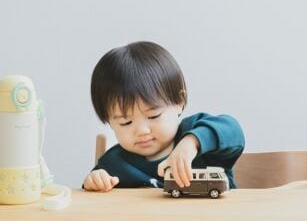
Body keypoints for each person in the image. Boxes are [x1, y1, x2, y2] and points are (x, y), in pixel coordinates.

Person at [83, 41, 245, 191]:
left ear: (179, 101)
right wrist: (95, 182)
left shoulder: (197, 134)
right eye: (126, 122)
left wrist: (192, 143)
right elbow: (90, 199)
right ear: (109, 121)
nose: (142, 130)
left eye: (153, 116)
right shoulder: (112, 164)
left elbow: (233, 130)